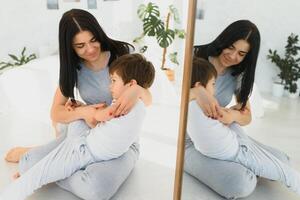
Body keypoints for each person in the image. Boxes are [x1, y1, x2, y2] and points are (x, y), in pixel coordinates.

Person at [5, 9, 152, 200]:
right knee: (27, 163)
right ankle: (39, 157)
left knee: (95, 190)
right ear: (70, 48)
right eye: (80, 45)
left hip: (120, 144)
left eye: (93, 40)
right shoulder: (73, 68)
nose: (90, 49)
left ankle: (52, 170)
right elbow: (56, 113)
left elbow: (147, 101)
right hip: (85, 134)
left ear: (99, 34)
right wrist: (84, 112)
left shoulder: (123, 54)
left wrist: (139, 90)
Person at [184, 20, 291, 199]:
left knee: (283, 160)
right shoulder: (194, 55)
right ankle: (246, 165)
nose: (233, 56)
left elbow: (246, 116)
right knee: (240, 184)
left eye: (241, 53)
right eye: (230, 47)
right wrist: (196, 91)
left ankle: (243, 161)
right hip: (188, 142)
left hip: (221, 134)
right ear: (223, 40)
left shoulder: (237, 73)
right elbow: (170, 100)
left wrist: (232, 115)